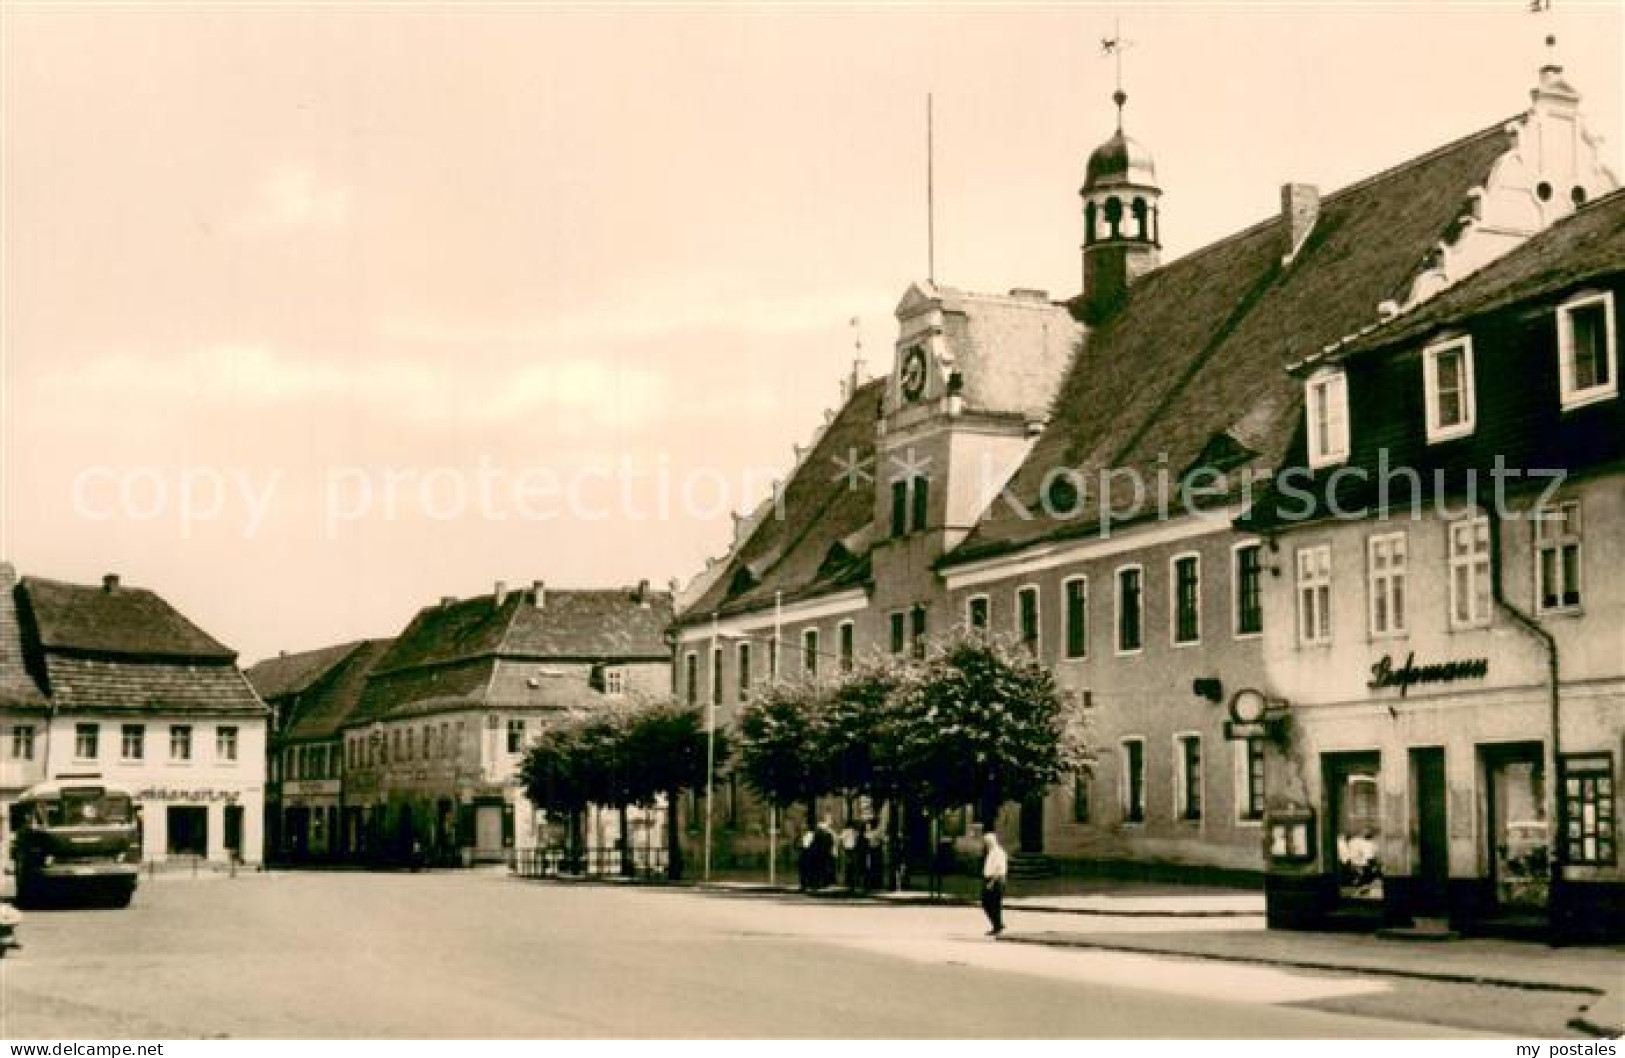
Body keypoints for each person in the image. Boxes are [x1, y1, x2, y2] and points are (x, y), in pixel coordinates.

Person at [980, 831, 1008, 936]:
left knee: (992, 904)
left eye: (987, 842)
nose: (986, 844)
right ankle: (998, 924)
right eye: (985, 842)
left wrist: (991, 882)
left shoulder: (998, 852)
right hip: (990, 879)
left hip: (996, 880)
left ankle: (997, 926)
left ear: (992, 841)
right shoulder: (991, 852)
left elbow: (999, 869)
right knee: (989, 903)